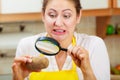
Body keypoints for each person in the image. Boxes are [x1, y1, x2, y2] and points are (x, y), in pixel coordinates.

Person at [12, 0, 110, 80]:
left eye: (66, 16)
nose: (58, 23)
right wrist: (18, 77)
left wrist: (87, 70)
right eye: (52, 15)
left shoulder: (93, 45)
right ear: (43, 15)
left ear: (78, 16)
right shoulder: (26, 45)